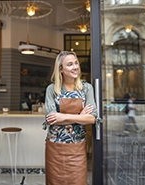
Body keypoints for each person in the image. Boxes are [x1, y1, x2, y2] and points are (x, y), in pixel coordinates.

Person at [43, 51, 98, 185]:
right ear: (61, 69)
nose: (75, 67)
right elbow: (51, 119)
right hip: (55, 149)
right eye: (69, 64)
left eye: (76, 63)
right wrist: (80, 116)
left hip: (77, 149)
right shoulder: (52, 89)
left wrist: (62, 116)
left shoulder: (86, 88)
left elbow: (92, 118)